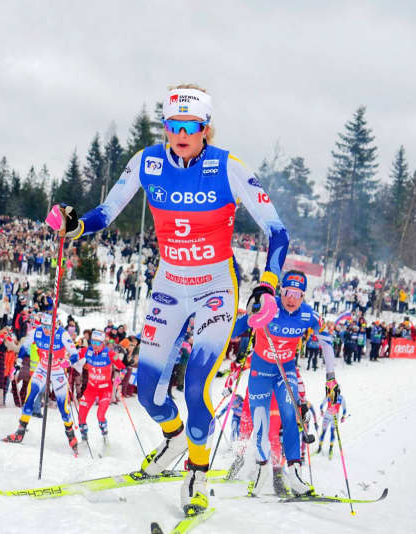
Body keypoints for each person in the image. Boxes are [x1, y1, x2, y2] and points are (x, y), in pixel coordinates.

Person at [50, 84, 289, 514]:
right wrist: (74, 227)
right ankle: (175, 439)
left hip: (215, 287)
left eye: (190, 126)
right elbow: (105, 213)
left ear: (205, 130)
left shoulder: (226, 167)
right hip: (169, 286)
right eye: (173, 126)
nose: (181, 134)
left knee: (196, 387)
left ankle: (196, 474)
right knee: (147, 393)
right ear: (165, 128)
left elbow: (277, 230)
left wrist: (268, 284)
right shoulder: (147, 162)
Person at [232, 270, 338, 497]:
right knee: (259, 419)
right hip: (260, 370)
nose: (292, 298)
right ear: (281, 291)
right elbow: (236, 328)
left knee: (290, 415)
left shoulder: (308, 315)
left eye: (297, 294)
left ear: (303, 296)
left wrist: (331, 378)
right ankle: (260, 468)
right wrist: (251, 312)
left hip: (285, 370)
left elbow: (327, 344)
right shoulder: (269, 307)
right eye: (288, 292)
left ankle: (295, 472)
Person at [4, 312, 81, 456]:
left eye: (49, 327)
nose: (46, 330)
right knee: (30, 395)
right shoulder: (36, 332)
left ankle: (71, 436)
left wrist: (68, 362)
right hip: (42, 367)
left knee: (62, 406)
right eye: (44, 326)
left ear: (55, 325)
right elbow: (24, 347)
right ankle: (20, 432)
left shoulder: (62, 334)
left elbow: (75, 354)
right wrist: (19, 364)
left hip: (57, 370)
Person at [76, 329, 126, 444]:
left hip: (105, 389)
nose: (95, 345)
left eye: (98, 343)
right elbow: (73, 355)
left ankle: (105, 437)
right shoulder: (87, 351)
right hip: (91, 388)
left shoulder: (110, 353)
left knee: (100, 415)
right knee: (81, 415)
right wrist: (66, 361)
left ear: (103, 343)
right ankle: (84, 439)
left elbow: (123, 368)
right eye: (93, 342)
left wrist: (119, 378)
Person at [318, 391, 347, 460]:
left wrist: (343, 416)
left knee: (332, 432)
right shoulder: (328, 395)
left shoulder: (341, 398)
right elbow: (321, 405)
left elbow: (344, 409)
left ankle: (330, 449)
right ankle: (319, 447)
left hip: (334, 418)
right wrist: (321, 410)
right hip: (327, 417)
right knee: (323, 432)